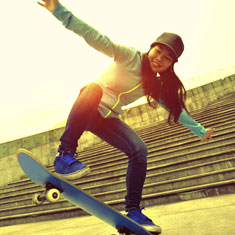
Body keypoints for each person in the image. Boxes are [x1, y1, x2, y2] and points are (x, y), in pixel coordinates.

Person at [38, 0, 215, 233]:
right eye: (158, 51)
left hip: (108, 120)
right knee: (93, 87)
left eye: (166, 58)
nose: (159, 58)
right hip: (88, 107)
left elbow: (175, 110)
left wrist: (200, 130)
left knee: (139, 150)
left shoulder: (155, 85)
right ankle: (65, 154)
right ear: (151, 48)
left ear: (170, 65)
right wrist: (59, 11)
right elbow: (93, 36)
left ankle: (133, 210)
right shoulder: (128, 55)